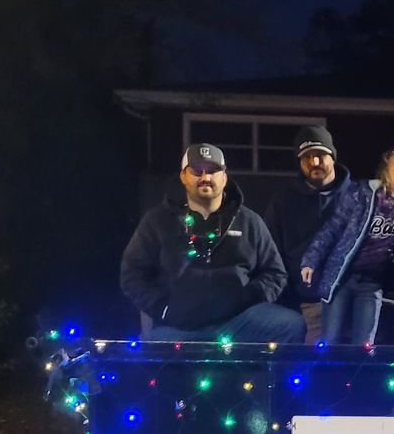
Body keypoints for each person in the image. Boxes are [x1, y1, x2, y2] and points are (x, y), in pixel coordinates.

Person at [120, 143, 304, 344]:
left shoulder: (249, 221)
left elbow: (275, 273)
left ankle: (255, 366)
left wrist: (247, 298)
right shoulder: (157, 221)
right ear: (183, 176)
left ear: (224, 177)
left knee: (291, 326)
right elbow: (132, 274)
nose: (205, 177)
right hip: (179, 327)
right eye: (197, 171)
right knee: (152, 347)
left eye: (212, 171)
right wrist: (164, 308)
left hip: (238, 322)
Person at [299, 145, 394, 345]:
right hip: (342, 278)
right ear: (387, 175)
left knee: (365, 343)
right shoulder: (364, 194)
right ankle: (324, 365)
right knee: (330, 338)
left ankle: (359, 367)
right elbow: (332, 228)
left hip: (373, 284)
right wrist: (310, 261)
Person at [265, 125, 357, 312]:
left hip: (350, 301)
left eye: (320, 155)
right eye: (306, 156)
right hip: (300, 303)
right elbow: (271, 255)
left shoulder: (358, 197)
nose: (314, 162)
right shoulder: (283, 201)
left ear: (332, 157)